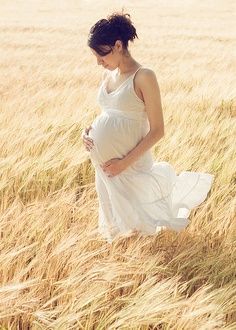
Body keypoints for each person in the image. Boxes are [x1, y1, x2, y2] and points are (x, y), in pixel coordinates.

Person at [82, 11, 214, 244]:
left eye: (101, 55)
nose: (98, 62)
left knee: (137, 226)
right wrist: (89, 133)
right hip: (105, 169)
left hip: (128, 166)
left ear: (118, 45)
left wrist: (123, 164)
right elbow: (109, 114)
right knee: (115, 226)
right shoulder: (108, 77)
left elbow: (158, 130)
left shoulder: (144, 76)